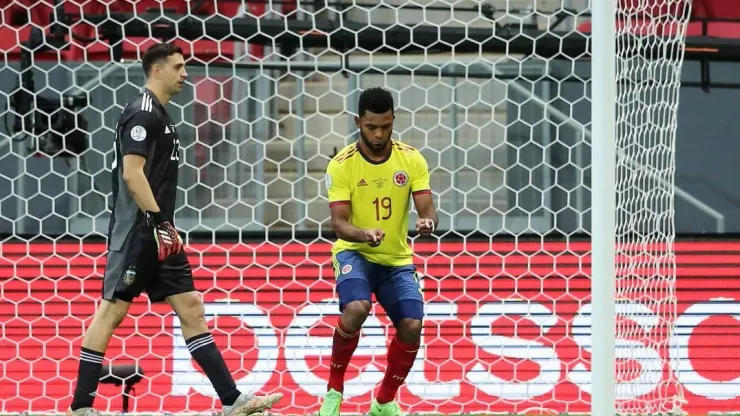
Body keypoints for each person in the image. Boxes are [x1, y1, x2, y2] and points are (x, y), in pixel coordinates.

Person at [66, 42, 282, 416]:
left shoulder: (162, 116)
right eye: (179, 67)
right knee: (111, 314)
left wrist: (163, 227)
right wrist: (159, 222)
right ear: (157, 70)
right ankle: (81, 407)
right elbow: (132, 174)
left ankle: (232, 401)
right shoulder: (142, 113)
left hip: (159, 232)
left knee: (192, 307)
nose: (185, 74)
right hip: (139, 231)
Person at [319, 87, 438, 416]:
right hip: (354, 253)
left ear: (393, 120)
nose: (378, 133)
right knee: (357, 307)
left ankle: (384, 402)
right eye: (371, 126)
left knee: (412, 326)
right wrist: (363, 234)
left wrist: (427, 222)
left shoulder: (411, 159)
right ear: (358, 122)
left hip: (396, 259)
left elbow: (428, 209)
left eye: (386, 126)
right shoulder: (342, 165)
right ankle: (334, 391)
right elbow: (339, 224)